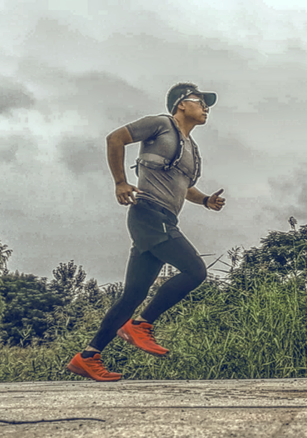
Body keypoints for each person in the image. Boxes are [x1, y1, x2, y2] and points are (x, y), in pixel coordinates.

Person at [66, 82, 226, 382]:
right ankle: (142, 325)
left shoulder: (190, 148)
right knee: (195, 272)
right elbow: (115, 138)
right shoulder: (160, 124)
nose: (206, 108)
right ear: (181, 103)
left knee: (133, 295)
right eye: (200, 101)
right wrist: (120, 182)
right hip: (148, 214)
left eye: (207, 104)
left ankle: (87, 356)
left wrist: (204, 200)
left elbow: (182, 186)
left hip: (163, 218)